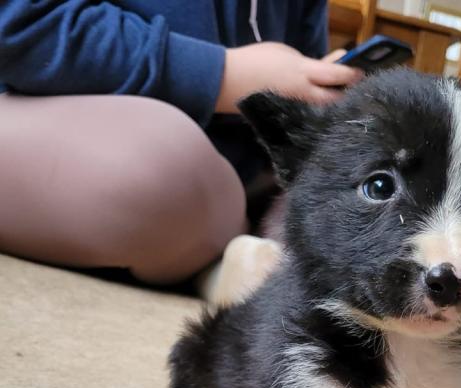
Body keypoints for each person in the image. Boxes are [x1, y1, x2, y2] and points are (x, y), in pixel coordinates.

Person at [0, 1, 362, 293]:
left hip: (236, 162)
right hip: (38, 108)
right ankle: (218, 253)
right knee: (161, 173)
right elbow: (21, 25)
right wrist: (226, 74)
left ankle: (220, 251)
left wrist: (312, 85)